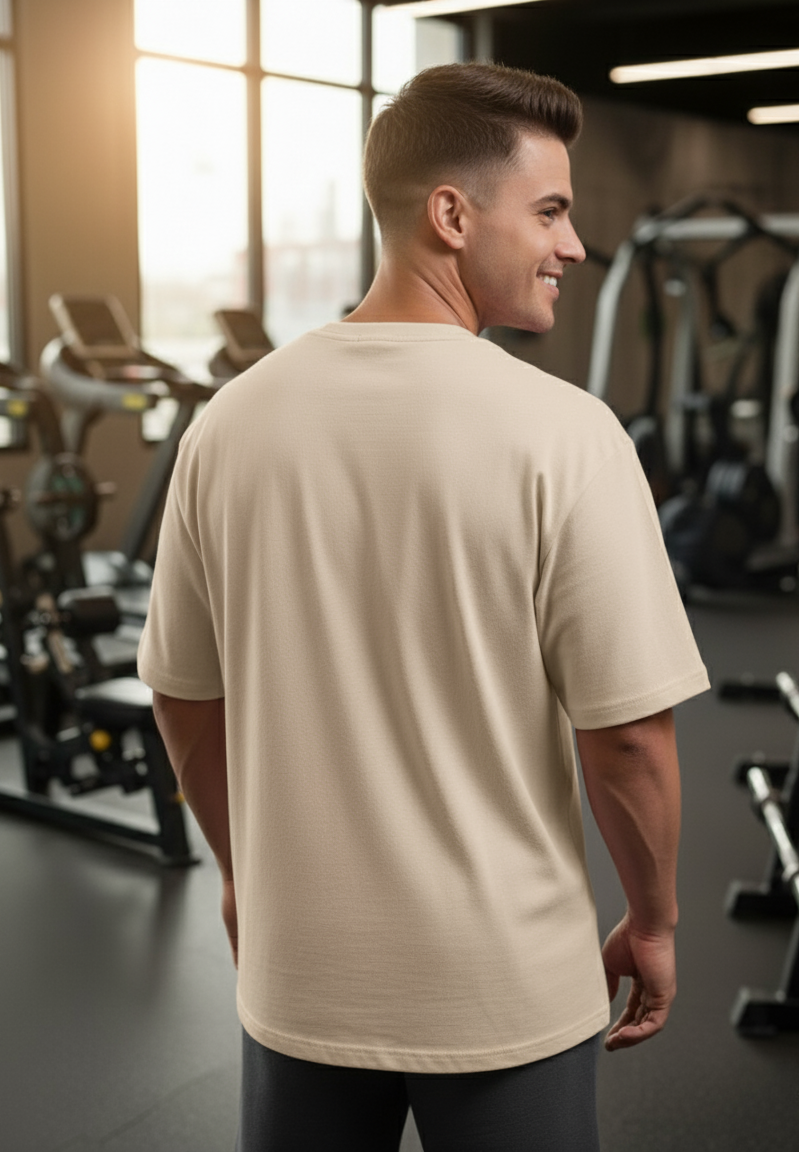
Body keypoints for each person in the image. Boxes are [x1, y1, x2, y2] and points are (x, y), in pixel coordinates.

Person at [138, 62, 710, 1152]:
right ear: (450, 215)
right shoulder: (565, 433)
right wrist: (654, 921)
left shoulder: (229, 423)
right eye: (549, 210)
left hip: (299, 977)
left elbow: (180, 695)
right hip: (500, 991)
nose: (572, 245)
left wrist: (241, 875)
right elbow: (628, 738)